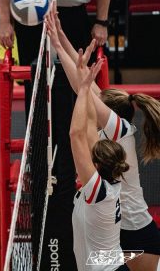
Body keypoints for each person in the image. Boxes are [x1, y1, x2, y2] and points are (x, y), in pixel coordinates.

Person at [46, 2, 160, 271]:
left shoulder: (120, 130)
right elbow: (84, 80)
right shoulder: (114, 129)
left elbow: (82, 87)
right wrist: (59, 37)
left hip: (138, 234)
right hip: (122, 231)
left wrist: (60, 46)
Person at [68, 45, 129, 271]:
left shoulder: (98, 193)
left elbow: (76, 134)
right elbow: (90, 127)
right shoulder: (107, 184)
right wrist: (83, 76)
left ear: (97, 164)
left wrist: (84, 89)